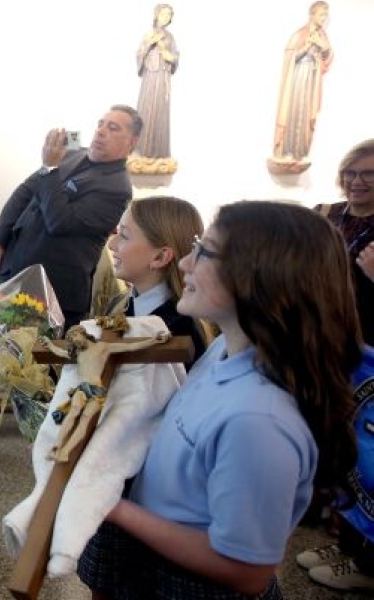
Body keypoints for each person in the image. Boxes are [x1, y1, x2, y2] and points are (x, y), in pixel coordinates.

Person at [78, 200, 361, 599]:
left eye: (204, 252)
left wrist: (111, 505)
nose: (184, 264)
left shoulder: (259, 420)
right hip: (155, 563)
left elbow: (245, 572)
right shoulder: (224, 353)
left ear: (258, 277)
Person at [0, 105, 141, 470]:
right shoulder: (71, 157)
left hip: (59, 291)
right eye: (100, 123)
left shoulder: (117, 189)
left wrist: (50, 171)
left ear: (131, 142)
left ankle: (49, 448)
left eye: (113, 128)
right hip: (17, 277)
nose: (101, 131)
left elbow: (60, 221)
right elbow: (24, 193)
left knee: (50, 373)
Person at [294, 138, 374, 592]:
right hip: (324, 343)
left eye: (369, 174)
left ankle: (367, 562)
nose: (357, 181)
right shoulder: (329, 214)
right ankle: (343, 543)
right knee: (336, 444)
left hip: (369, 353)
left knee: (368, 458)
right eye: (351, 172)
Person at [104, 195, 211, 368]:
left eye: (123, 235)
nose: (112, 244)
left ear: (160, 257)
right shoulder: (118, 304)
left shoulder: (181, 329)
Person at [39, 322, 171, 462]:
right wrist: (49, 344)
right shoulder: (77, 353)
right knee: (73, 412)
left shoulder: (102, 347)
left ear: (83, 333)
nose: (75, 340)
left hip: (97, 391)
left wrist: (153, 340)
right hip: (83, 389)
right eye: (71, 339)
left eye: (75, 335)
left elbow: (130, 347)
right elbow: (61, 352)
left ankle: (66, 452)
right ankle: (56, 447)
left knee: (85, 419)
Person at [268, 1, 333, 174]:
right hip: (297, 80)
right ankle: (286, 151)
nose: (323, 18)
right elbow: (291, 56)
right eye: (321, 15)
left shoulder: (322, 36)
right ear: (312, 15)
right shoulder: (300, 34)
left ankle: (300, 152)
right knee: (293, 113)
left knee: (306, 117)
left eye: (325, 16)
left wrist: (322, 47)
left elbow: (328, 56)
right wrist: (306, 48)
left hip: (311, 80)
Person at [129, 4, 178, 174]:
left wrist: (165, 51)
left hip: (162, 77)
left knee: (160, 114)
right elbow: (139, 53)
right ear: (157, 15)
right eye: (163, 14)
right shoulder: (149, 34)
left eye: (168, 15)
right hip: (150, 76)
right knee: (145, 111)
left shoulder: (170, 37)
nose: (165, 17)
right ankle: (140, 150)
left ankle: (159, 153)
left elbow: (174, 58)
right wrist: (150, 43)